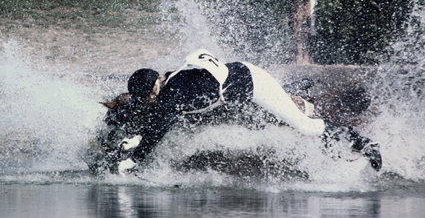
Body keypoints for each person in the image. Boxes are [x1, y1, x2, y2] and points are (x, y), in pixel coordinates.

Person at [102, 49, 382, 174]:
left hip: (254, 86)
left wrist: (133, 160)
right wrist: (137, 138)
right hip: (241, 79)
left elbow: (159, 130)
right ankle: (304, 96)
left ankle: (363, 142)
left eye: (147, 99)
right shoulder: (171, 80)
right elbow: (155, 124)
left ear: (153, 90)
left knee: (305, 126)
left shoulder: (172, 94)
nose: (150, 104)